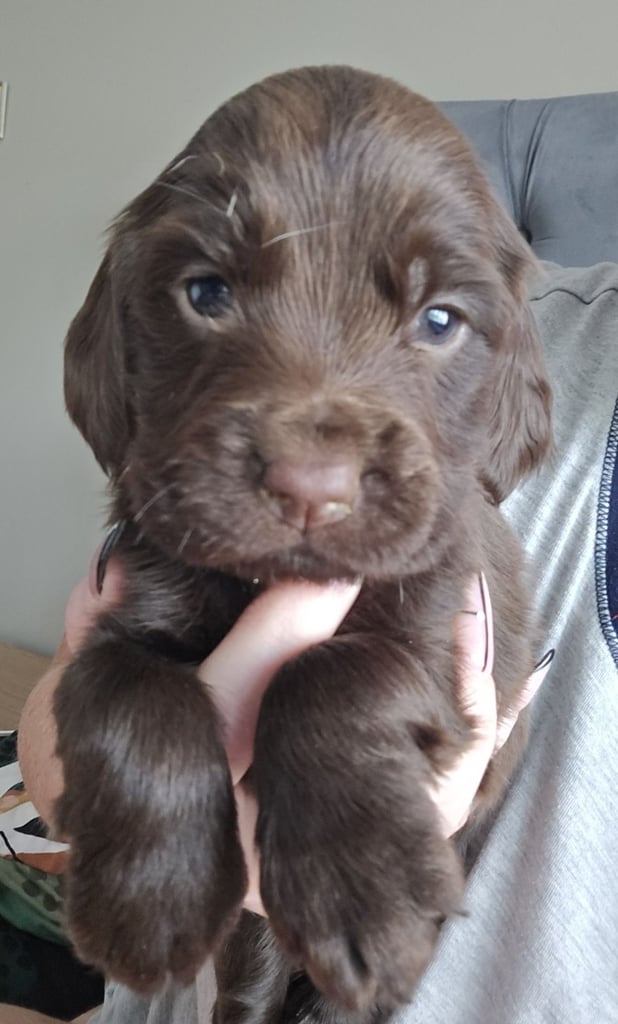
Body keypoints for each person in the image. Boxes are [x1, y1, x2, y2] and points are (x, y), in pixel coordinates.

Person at [2, 259, 618, 1022]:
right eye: (210, 295)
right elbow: (61, 726)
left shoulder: (483, 347)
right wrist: (129, 789)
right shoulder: (509, 307)